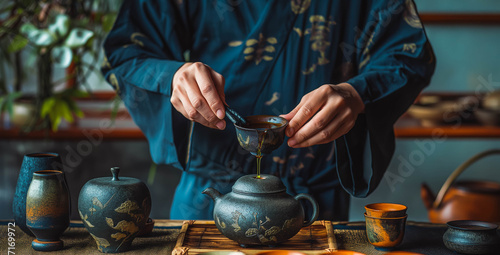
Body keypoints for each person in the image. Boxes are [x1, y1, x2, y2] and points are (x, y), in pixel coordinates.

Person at [102, 0, 435, 220]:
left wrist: (355, 94)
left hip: (313, 202)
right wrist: (173, 76)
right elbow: (126, 51)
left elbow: (409, 55)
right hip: (213, 197)